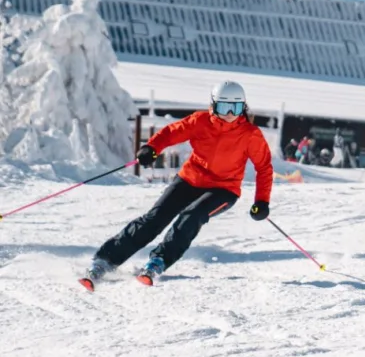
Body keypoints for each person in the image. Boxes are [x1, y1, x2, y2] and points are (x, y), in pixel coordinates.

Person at [80, 81, 274, 288]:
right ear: (213, 105)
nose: (228, 113)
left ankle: (158, 261)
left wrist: (261, 202)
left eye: (234, 108)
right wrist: (152, 148)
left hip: (223, 189)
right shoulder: (200, 121)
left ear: (243, 107)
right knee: (155, 218)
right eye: (222, 107)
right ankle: (105, 260)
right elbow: (172, 132)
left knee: (191, 217)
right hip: (189, 180)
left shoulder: (250, 135)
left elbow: (264, 167)